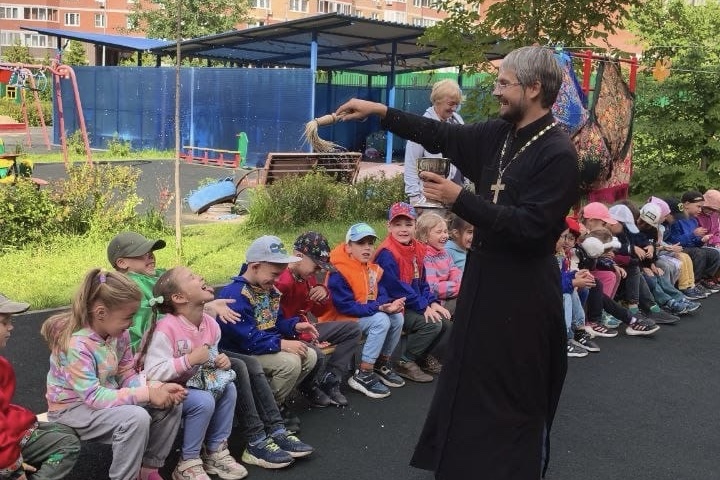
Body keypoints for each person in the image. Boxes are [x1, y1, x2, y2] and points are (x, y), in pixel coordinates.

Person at [334, 45, 579, 478]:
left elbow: (533, 229)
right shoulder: (498, 135)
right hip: (483, 288)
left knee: (516, 398)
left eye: (504, 83)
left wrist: (460, 199)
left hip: (524, 298)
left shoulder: (557, 152)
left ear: (534, 88)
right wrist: (380, 111)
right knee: (469, 388)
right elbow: (439, 134)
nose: (496, 91)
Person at [40, 269, 185, 480]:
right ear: (101, 313)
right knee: (135, 418)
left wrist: (156, 388)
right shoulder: (76, 345)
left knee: (170, 405)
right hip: (72, 409)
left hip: (104, 398)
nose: (132, 323)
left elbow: (125, 373)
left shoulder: (119, 334)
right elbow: (93, 397)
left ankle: (147, 471)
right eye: (128, 317)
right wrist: (147, 394)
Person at [139, 267, 247, 480]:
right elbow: (152, 371)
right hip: (162, 389)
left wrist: (220, 361)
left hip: (192, 384)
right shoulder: (166, 328)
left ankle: (215, 450)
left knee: (229, 387)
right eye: (192, 277)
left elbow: (210, 359)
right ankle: (188, 462)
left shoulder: (211, 325)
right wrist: (187, 360)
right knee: (203, 400)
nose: (201, 276)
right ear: (179, 298)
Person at [216, 236, 318, 408]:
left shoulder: (268, 288)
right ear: (255, 267)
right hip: (242, 352)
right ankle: (267, 407)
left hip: (264, 345)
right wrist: (282, 344)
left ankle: (275, 401)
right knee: (290, 364)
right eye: (275, 274)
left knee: (310, 356)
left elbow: (275, 321)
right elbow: (247, 339)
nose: (278, 280)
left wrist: (294, 326)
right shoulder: (236, 295)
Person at [107, 231, 240, 352]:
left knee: (241, 363)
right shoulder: (129, 287)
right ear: (122, 263)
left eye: (151, 251)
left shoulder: (158, 275)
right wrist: (206, 309)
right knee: (239, 365)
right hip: (151, 351)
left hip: (184, 341)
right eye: (143, 253)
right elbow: (148, 324)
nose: (151, 256)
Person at [318, 222, 406, 399]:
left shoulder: (369, 267)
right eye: (360, 243)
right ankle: (364, 373)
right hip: (338, 321)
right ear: (348, 247)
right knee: (381, 320)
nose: (367, 247)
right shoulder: (338, 271)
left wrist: (387, 306)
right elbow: (345, 306)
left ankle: (381, 363)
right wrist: (378, 308)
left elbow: (382, 293)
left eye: (370, 243)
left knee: (396, 317)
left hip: (359, 315)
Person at [275, 232, 362, 407]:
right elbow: (274, 322)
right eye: (316, 266)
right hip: (285, 335)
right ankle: (308, 386)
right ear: (298, 256)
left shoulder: (308, 277)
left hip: (305, 330)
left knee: (353, 330)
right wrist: (307, 338)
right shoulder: (281, 281)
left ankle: (330, 378)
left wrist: (324, 294)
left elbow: (319, 311)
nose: (319, 271)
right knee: (317, 354)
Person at [0, 294, 80, 480]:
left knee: (65, 431)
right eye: (4, 322)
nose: (11, 327)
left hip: (8, 429)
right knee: (68, 444)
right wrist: (12, 466)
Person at [374, 202, 450, 382]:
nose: (403, 229)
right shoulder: (387, 253)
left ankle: (420, 356)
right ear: (389, 226)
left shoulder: (416, 248)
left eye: (408, 224)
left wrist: (432, 302)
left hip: (410, 302)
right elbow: (397, 288)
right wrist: (424, 306)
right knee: (432, 324)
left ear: (415, 225)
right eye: (397, 224)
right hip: (392, 305)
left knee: (445, 322)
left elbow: (421, 281)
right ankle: (405, 361)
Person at [404, 79, 465, 206]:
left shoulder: (458, 122)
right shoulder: (421, 126)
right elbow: (411, 163)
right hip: (430, 199)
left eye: (457, 104)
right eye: (451, 104)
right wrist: (415, 198)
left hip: (456, 196)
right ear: (437, 100)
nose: (454, 108)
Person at [665, 191, 720, 291]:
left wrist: (702, 240)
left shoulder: (694, 220)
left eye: (701, 207)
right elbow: (674, 241)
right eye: (698, 206)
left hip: (691, 247)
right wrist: (693, 234)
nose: (700, 210)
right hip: (678, 248)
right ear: (686, 204)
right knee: (698, 253)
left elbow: (695, 243)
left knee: (714, 253)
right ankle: (695, 281)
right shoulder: (676, 220)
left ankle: (705, 279)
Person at [415, 212, 462, 317]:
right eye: (439, 232)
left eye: (445, 231)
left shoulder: (445, 253)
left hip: (450, 294)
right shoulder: (426, 257)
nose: (444, 235)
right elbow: (433, 288)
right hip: (437, 302)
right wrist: (458, 287)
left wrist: (460, 283)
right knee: (465, 299)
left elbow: (455, 271)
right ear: (424, 236)